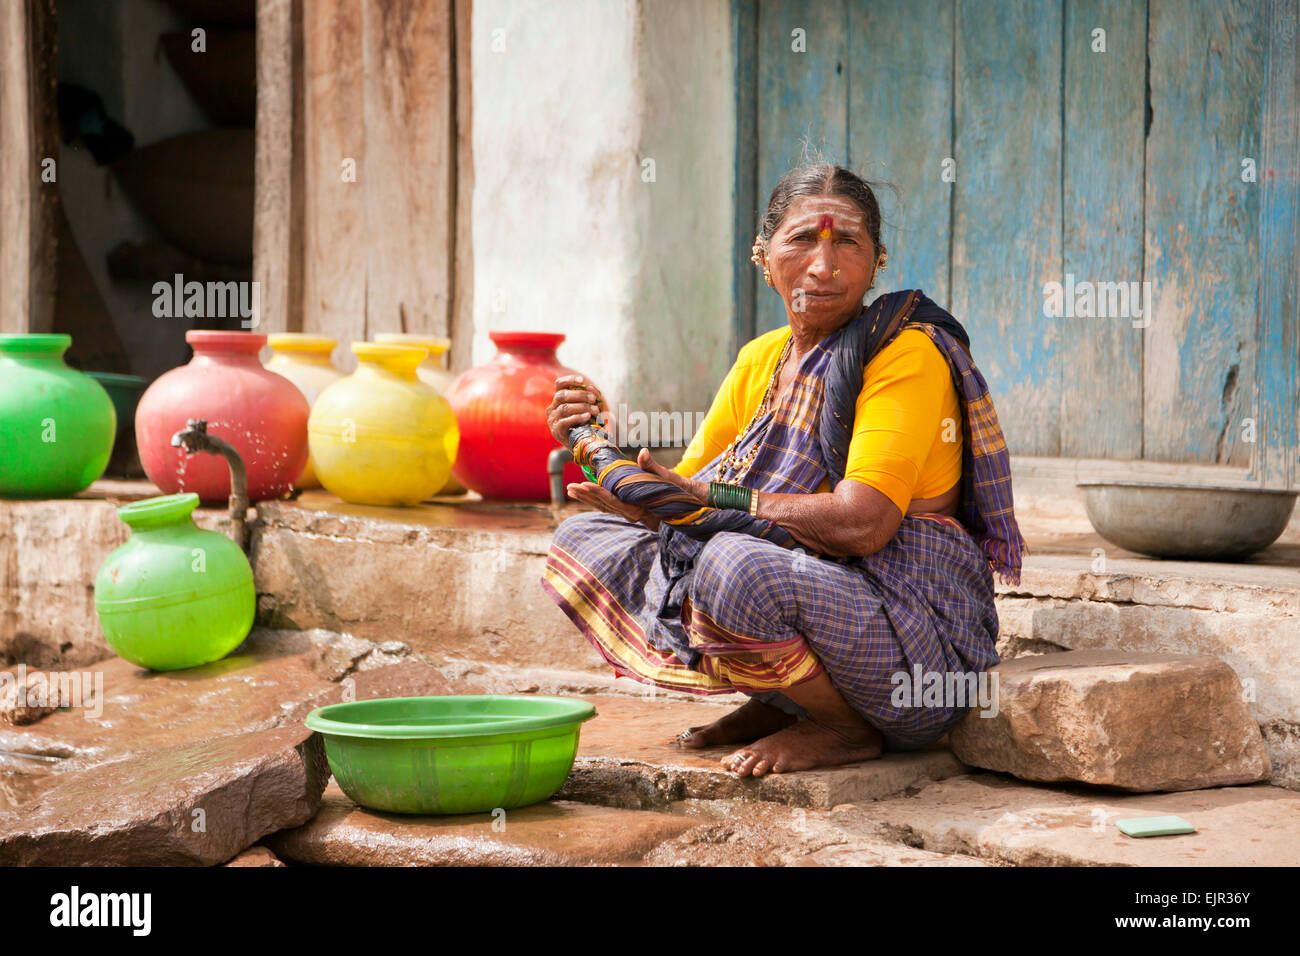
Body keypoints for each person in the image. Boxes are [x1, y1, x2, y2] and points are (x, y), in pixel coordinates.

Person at [540, 162, 1025, 777]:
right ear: (763, 256)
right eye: (802, 240)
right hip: (823, 599)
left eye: (847, 242)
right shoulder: (761, 359)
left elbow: (863, 524)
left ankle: (844, 728)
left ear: (877, 261)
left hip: (915, 644)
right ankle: (782, 701)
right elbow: (684, 504)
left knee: (733, 563)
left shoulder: (906, 354)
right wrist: (602, 450)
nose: (824, 266)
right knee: (587, 539)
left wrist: (707, 500)